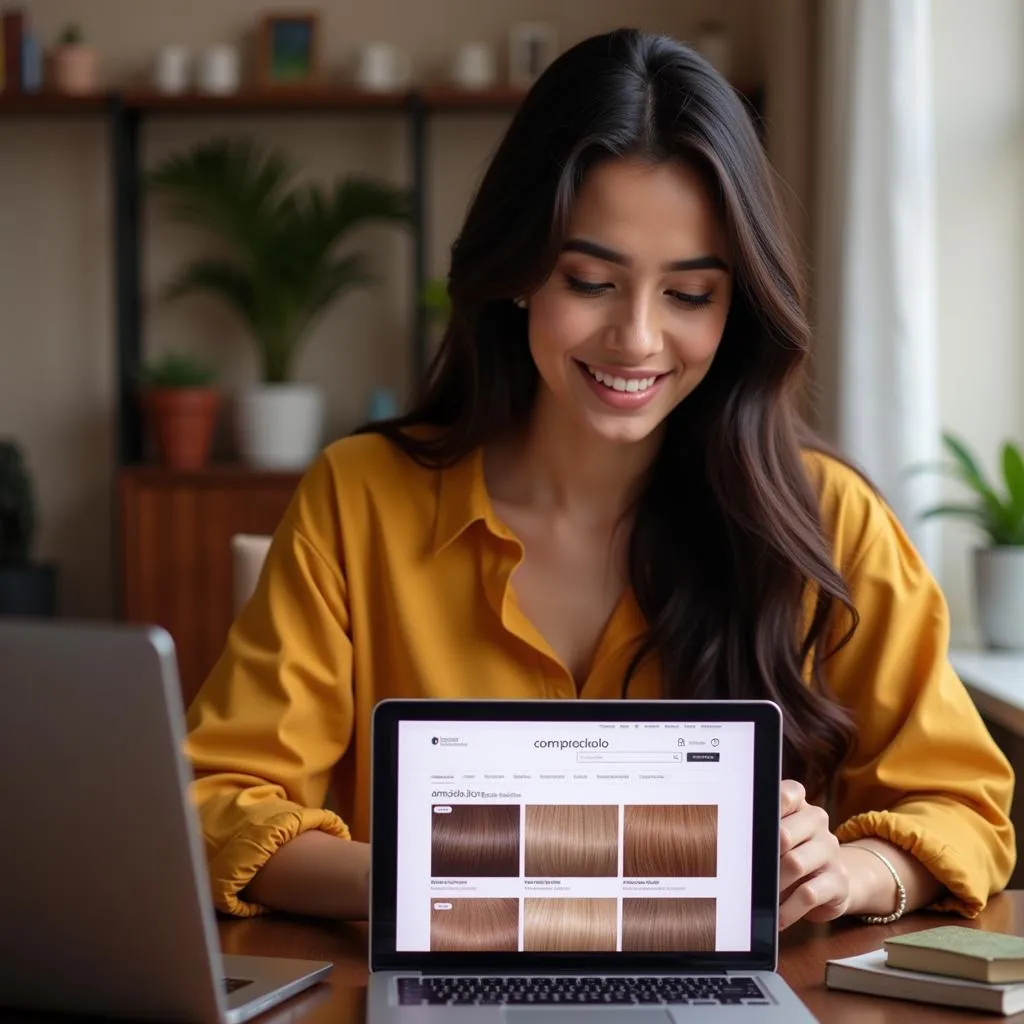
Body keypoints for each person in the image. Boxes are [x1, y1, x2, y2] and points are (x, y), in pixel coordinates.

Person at [184, 28, 1015, 928]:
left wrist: (850, 872)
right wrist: (442, 886)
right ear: (518, 274)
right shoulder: (359, 497)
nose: (638, 339)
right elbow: (218, 803)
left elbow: (964, 808)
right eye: (590, 281)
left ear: (737, 307)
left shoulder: (827, 521)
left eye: (691, 294)